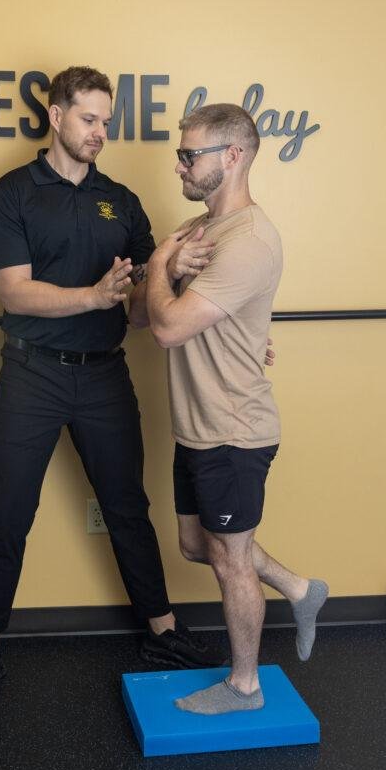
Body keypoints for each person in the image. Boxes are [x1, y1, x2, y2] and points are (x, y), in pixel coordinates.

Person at [0, 66, 222, 703]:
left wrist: (167, 272)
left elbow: (138, 308)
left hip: (104, 377)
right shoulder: (11, 193)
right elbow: (14, 291)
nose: (101, 132)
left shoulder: (122, 203)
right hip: (30, 374)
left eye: (106, 121)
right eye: (89, 119)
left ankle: (162, 629)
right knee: (7, 515)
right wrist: (95, 294)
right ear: (56, 115)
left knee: (128, 508)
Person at [145, 102, 329, 716]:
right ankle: (300, 588)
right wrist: (168, 270)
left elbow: (167, 329)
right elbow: (147, 315)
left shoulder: (249, 240)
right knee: (200, 545)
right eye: (180, 153)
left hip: (234, 430)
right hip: (198, 427)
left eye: (189, 154)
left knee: (229, 559)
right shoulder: (199, 232)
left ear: (233, 156)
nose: (179, 166)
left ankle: (244, 685)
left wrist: (157, 268)